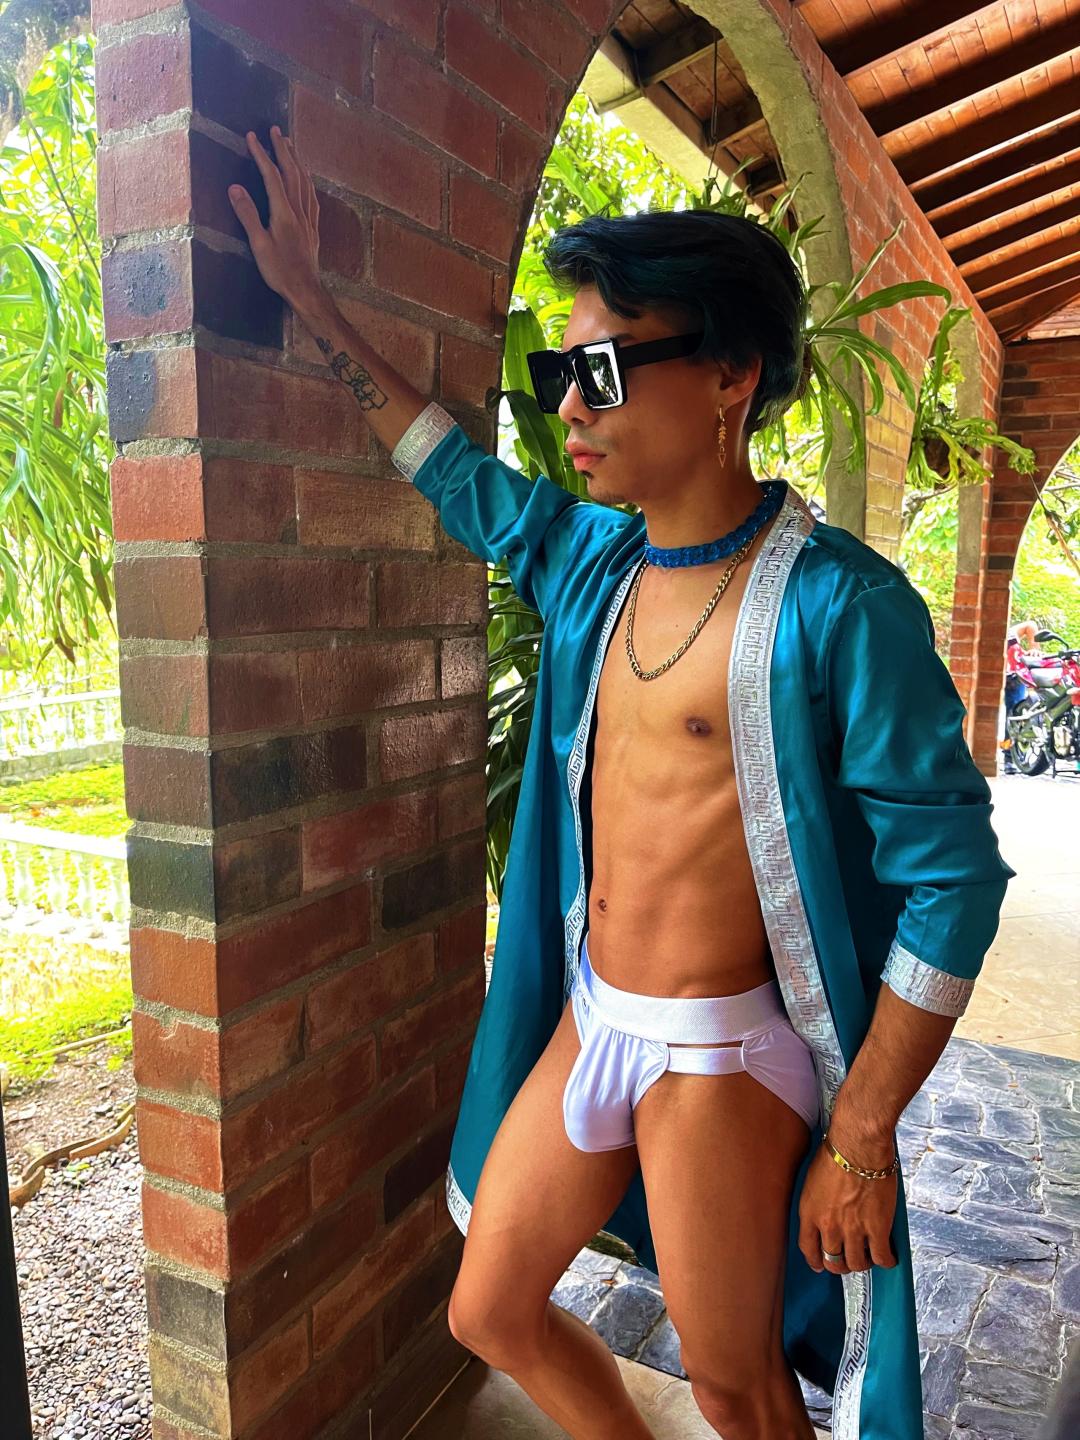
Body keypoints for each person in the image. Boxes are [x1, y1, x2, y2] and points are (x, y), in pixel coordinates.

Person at [228, 126, 1016, 1440]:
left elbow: (955, 882)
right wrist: (312, 301)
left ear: (728, 377)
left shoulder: (839, 606)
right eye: (558, 375)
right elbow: (458, 476)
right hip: (595, 1019)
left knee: (739, 1387)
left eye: (597, 373)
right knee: (489, 1312)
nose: (568, 411)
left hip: (722, 1053)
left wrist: (863, 1131)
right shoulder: (592, 567)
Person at [1001, 619, 1040, 774]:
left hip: (1015, 677)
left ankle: (1010, 757)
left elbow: (1030, 625)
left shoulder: (1009, 633)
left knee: (1014, 714)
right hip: (992, 677)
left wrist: (1034, 648)